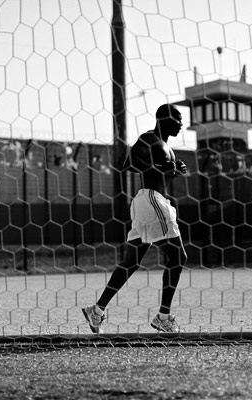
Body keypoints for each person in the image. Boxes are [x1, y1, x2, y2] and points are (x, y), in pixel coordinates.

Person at [82, 104, 188, 333]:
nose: (181, 124)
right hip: (151, 200)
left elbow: (160, 175)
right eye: (178, 119)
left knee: (131, 262)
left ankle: (96, 311)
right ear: (163, 118)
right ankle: (163, 317)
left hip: (150, 202)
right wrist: (159, 166)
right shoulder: (149, 139)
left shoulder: (168, 148)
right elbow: (129, 164)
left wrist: (174, 171)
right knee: (178, 256)